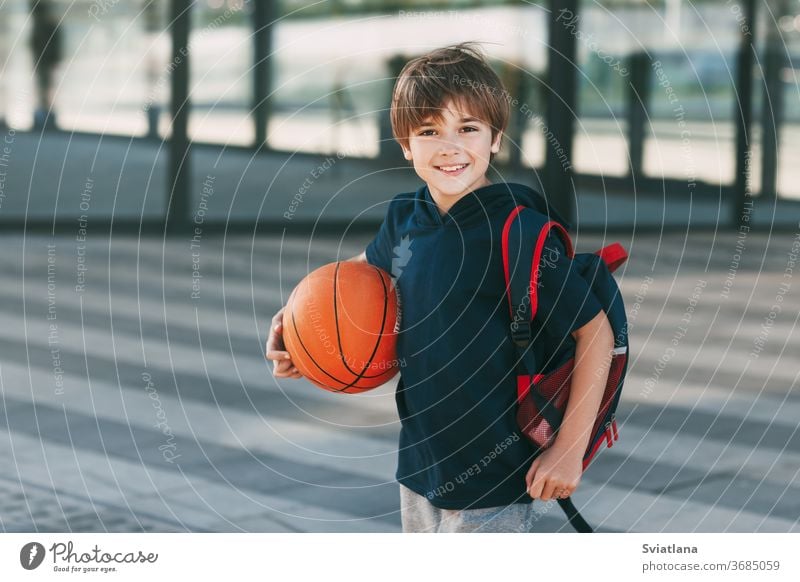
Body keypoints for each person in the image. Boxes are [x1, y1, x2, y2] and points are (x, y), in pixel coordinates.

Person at [266, 41, 614, 533]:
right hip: (419, 465)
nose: (450, 147)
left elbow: (594, 332)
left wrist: (568, 451)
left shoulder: (517, 233)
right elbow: (350, 284)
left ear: (495, 138)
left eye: (467, 128)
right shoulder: (404, 220)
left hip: (495, 474)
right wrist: (295, 332)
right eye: (430, 131)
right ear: (406, 145)